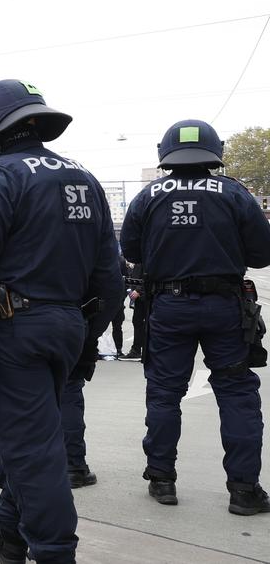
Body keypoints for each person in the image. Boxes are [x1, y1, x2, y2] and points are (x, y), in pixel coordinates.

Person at [0, 80, 122, 563]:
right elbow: (109, 275)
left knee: (32, 447)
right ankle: (10, 530)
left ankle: (55, 551)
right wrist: (88, 334)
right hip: (68, 325)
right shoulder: (83, 177)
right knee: (33, 433)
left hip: (18, 328)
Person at [120, 119, 270, 515]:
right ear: (214, 152)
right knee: (237, 393)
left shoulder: (148, 196)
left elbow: (130, 249)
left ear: (165, 153)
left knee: (165, 393)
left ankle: (162, 478)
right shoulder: (236, 193)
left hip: (169, 307)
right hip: (226, 308)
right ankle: (244, 489)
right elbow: (261, 255)